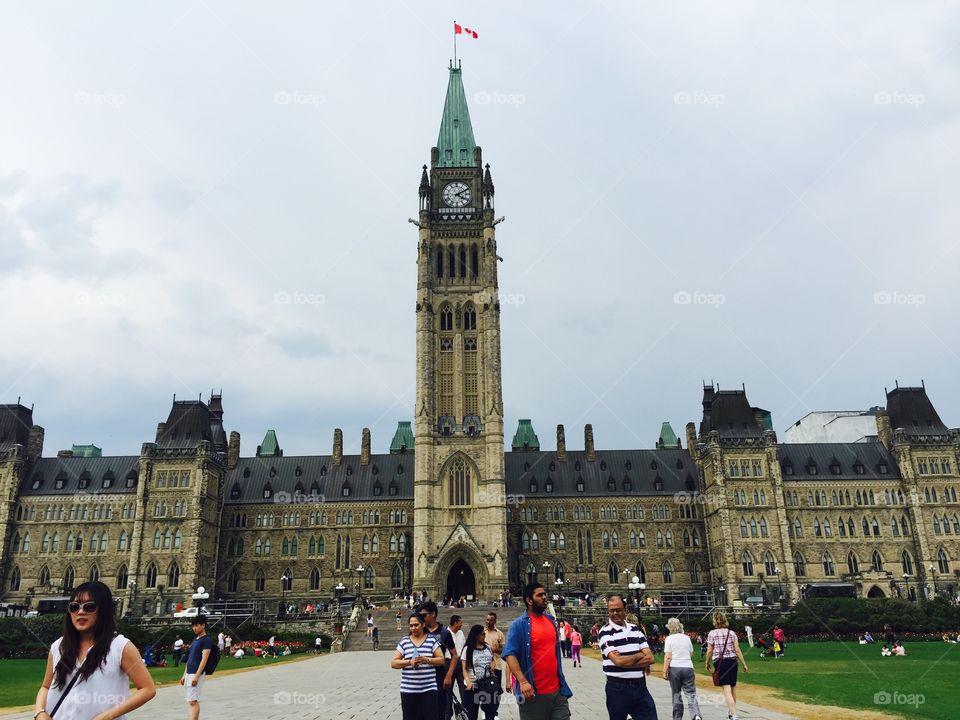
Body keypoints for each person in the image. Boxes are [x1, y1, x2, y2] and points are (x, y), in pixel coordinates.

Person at [34, 581, 156, 720]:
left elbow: (147, 689)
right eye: (74, 607)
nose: (80, 612)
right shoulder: (58, 647)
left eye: (89, 607)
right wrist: (40, 712)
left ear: (103, 610)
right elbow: (45, 686)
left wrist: (108, 715)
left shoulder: (120, 647)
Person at [503, 582, 573, 720]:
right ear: (529, 600)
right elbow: (510, 654)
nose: (544, 597)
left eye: (545, 594)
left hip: (558, 692)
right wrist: (522, 682)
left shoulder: (551, 621)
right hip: (533, 694)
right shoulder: (518, 625)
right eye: (539, 595)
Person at [598, 594, 656, 720]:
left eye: (618, 610)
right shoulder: (605, 632)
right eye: (611, 610)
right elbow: (618, 661)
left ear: (625, 610)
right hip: (618, 688)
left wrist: (626, 661)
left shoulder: (635, 629)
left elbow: (650, 658)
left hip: (640, 686)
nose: (615, 613)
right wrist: (640, 655)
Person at [392, 613, 445, 720]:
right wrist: (408, 662)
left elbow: (441, 660)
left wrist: (427, 660)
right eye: (411, 625)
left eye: (416, 625)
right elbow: (394, 663)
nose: (413, 628)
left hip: (429, 689)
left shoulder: (431, 640)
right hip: (408, 690)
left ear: (423, 625)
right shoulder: (405, 641)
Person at [705, 610, 749, 720]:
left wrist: (707, 662)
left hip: (720, 662)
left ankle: (734, 715)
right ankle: (731, 712)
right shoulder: (731, 633)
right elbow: (737, 650)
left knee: (726, 689)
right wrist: (744, 663)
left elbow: (709, 651)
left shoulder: (712, 633)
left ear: (715, 621)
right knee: (733, 688)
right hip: (733, 662)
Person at [418, 601, 457, 720]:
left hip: (439, 675)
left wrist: (449, 675)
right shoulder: (419, 631)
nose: (421, 618)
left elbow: (454, 655)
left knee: (440, 708)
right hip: (421, 676)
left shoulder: (445, 633)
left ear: (433, 614)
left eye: (424, 615)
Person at [662, 617, 701, 720]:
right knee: (691, 693)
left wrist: (665, 671)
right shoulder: (686, 637)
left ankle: (677, 717)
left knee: (676, 694)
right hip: (688, 667)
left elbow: (668, 657)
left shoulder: (669, 639)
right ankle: (696, 715)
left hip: (675, 668)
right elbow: (691, 653)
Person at [181, 616, 214, 720]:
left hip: (196, 673)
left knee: (193, 701)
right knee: (190, 700)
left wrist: (197, 676)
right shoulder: (195, 640)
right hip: (189, 673)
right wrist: (184, 675)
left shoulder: (206, 640)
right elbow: (190, 659)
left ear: (203, 625)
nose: (194, 628)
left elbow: (204, 659)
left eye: (196, 625)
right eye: (193, 626)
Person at [462, 624, 497, 720]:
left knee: (490, 713)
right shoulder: (468, 649)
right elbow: (464, 668)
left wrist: (492, 664)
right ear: (476, 635)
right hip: (473, 686)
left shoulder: (487, 647)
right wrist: (468, 681)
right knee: (472, 714)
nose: (484, 636)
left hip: (487, 685)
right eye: (482, 634)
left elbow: (493, 659)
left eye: (484, 634)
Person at [483, 612, 506, 717]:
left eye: (491, 620)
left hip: (496, 666)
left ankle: (494, 711)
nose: (488, 622)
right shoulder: (482, 632)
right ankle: (486, 711)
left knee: (496, 691)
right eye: (487, 620)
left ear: (495, 621)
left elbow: (504, 649)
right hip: (483, 667)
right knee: (484, 690)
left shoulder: (499, 634)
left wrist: (496, 649)